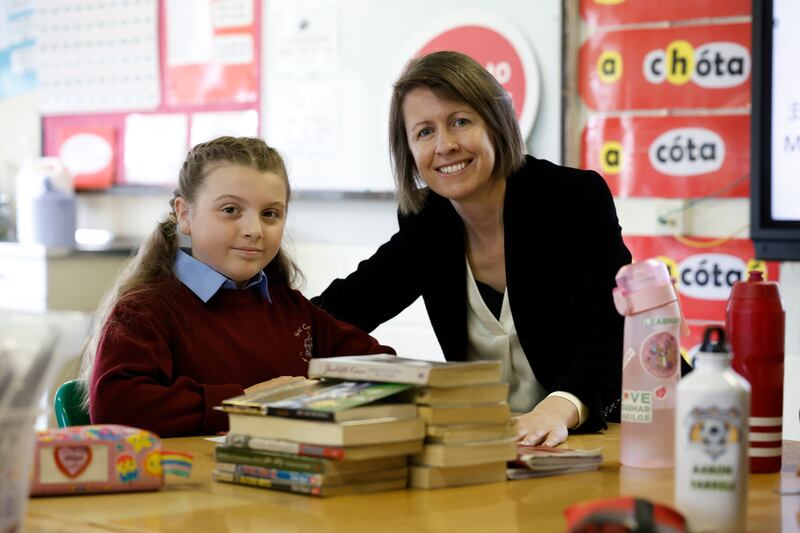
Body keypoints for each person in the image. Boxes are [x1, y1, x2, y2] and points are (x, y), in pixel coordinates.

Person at [312, 51, 632, 447]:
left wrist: (559, 407)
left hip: (622, 431)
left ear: (496, 124)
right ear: (408, 151)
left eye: (460, 121)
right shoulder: (427, 221)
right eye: (424, 132)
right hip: (508, 446)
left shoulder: (571, 198)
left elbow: (613, 334)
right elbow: (341, 309)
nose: (445, 145)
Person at [81, 136, 393, 437]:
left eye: (270, 214)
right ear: (184, 214)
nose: (253, 230)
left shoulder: (291, 309)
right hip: (187, 487)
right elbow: (117, 407)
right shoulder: (144, 311)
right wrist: (241, 404)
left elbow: (386, 370)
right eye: (230, 210)